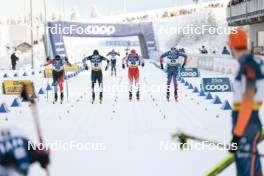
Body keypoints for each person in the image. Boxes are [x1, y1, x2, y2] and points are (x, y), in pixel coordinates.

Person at [228, 28, 264, 176]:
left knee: (246, 170)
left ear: (231, 46)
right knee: (253, 168)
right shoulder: (255, 62)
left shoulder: (248, 66)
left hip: (246, 125)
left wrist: (237, 135)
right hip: (248, 123)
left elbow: (247, 104)